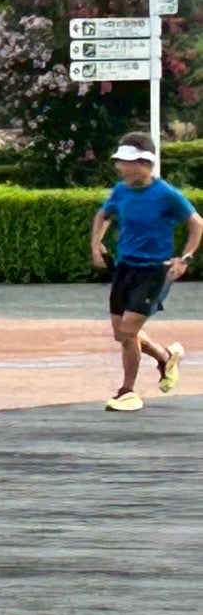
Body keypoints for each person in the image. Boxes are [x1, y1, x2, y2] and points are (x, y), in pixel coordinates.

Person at [89, 132, 202, 411]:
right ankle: (164, 357)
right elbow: (104, 214)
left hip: (154, 272)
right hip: (125, 268)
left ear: (144, 163)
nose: (121, 168)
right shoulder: (120, 191)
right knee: (122, 333)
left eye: (127, 163)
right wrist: (96, 244)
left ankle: (127, 392)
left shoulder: (166, 195)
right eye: (120, 162)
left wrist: (185, 259)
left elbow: (197, 223)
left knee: (128, 331)